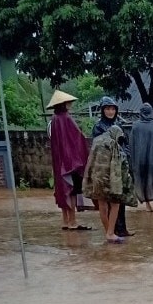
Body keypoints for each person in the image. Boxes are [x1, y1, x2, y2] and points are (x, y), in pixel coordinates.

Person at [47, 90, 91, 231]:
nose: (70, 104)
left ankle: (65, 220)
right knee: (71, 191)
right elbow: (77, 138)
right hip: (70, 162)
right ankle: (72, 221)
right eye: (68, 102)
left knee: (62, 189)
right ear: (63, 104)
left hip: (59, 160)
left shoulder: (54, 119)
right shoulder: (66, 118)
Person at [83, 125, 135, 243]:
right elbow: (117, 163)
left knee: (102, 206)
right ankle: (111, 233)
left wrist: (88, 179)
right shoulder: (113, 144)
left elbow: (90, 161)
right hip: (109, 178)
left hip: (97, 178)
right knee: (115, 204)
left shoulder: (96, 141)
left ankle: (108, 231)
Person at [92, 96, 133, 237]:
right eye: (107, 109)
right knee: (105, 202)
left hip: (118, 166)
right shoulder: (98, 127)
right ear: (102, 110)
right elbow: (99, 146)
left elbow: (125, 144)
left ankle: (120, 229)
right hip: (103, 167)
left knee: (118, 200)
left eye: (113, 109)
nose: (110, 111)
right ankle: (110, 231)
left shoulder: (118, 125)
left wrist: (125, 157)